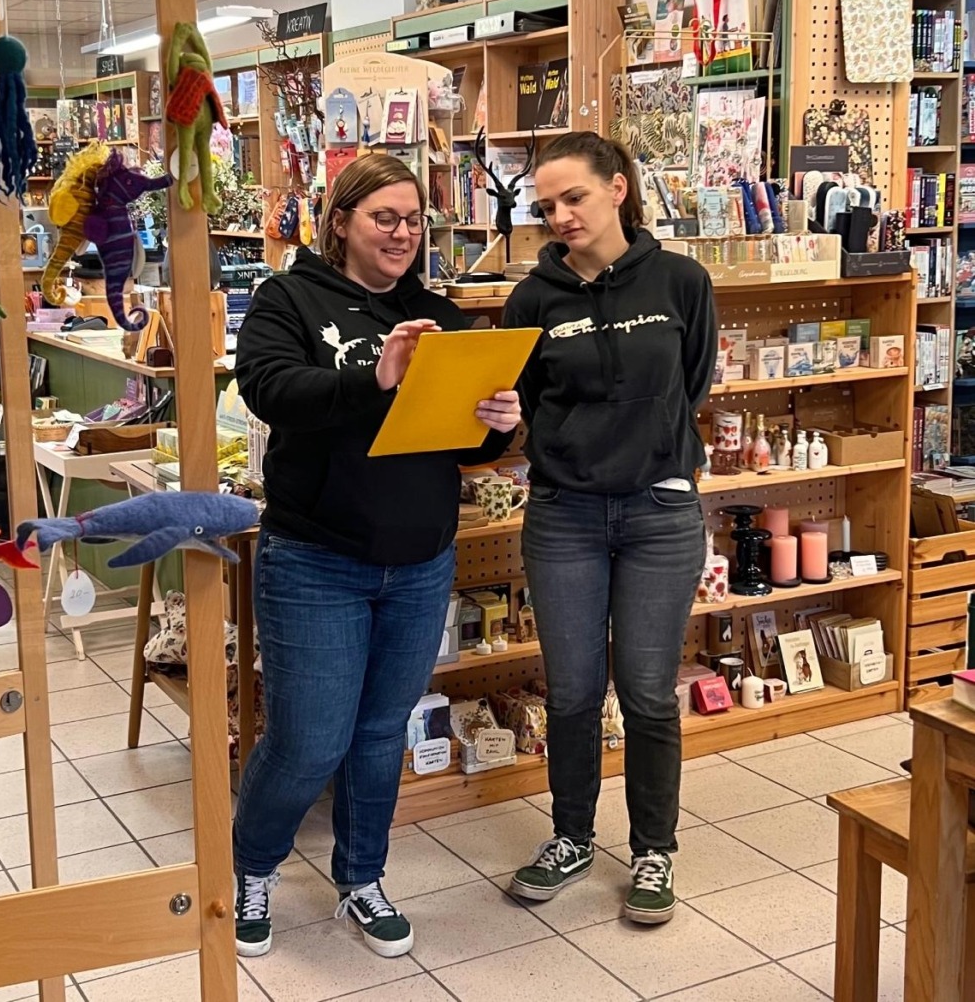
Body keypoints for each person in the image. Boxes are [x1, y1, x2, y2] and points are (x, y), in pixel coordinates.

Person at [232, 154, 522, 959]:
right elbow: (268, 388)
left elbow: (465, 449)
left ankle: (361, 877)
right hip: (315, 558)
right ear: (341, 222)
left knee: (376, 734)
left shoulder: (439, 312)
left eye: (412, 220)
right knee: (306, 742)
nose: (401, 234)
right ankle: (251, 868)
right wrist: (376, 377)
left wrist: (499, 421)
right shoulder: (289, 298)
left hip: (420, 561)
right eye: (383, 218)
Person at [503, 131, 716, 924]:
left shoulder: (681, 281)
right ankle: (571, 838)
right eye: (545, 205)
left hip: (659, 513)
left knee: (648, 693)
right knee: (572, 694)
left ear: (617, 189)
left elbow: (690, 378)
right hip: (563, 515)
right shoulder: (532, 299)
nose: (559, 216)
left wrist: (650, 453)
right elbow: (517, 408)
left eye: (574, 198)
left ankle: (653, 850)